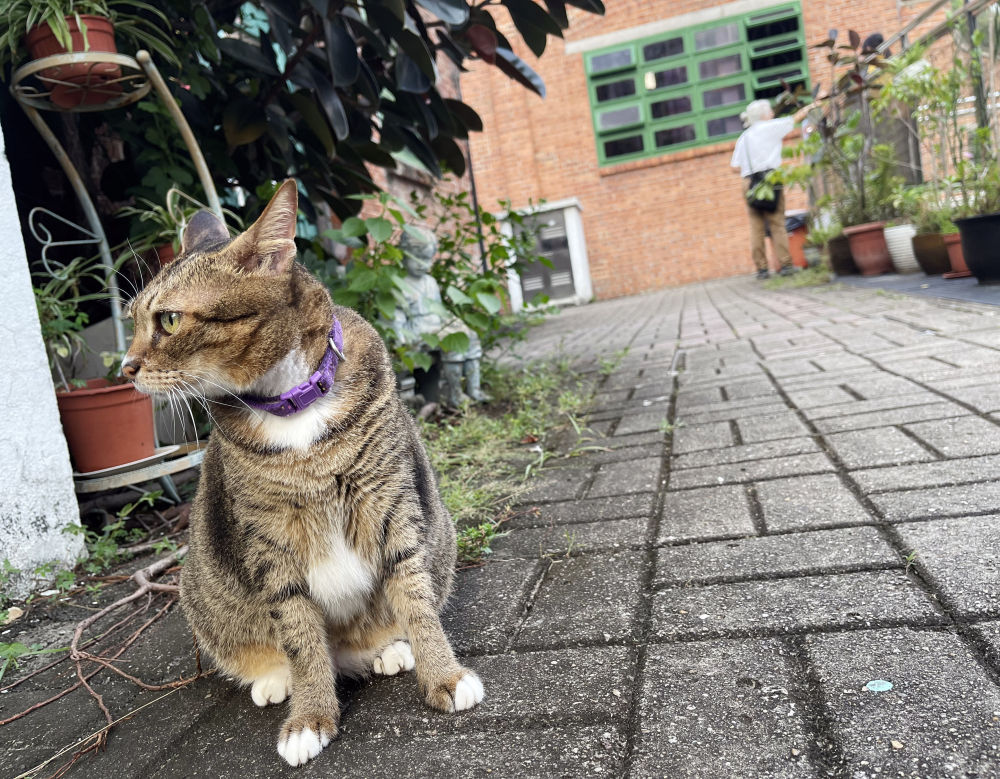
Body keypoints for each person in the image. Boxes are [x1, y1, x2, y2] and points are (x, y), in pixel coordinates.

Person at [731, 100, 811, 279]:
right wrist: (813, 105)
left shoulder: (744, 137)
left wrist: (751, 167)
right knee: (777, 223)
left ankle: (762, 269)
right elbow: (796, 118)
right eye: (770, 112)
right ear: (764, 115)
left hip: (749, 182)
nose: (773, 115)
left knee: (756, 226)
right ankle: (786, 266)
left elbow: (734, 167)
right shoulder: (770, 127)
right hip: (769, 179)